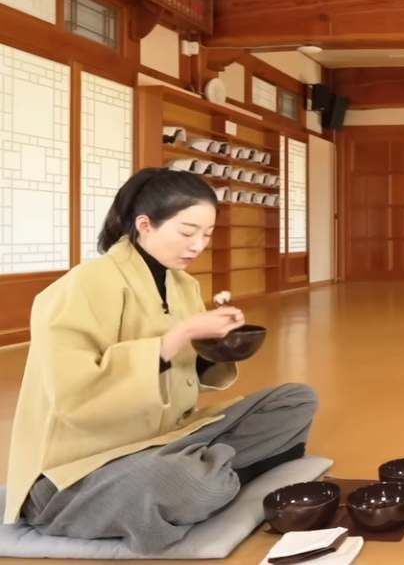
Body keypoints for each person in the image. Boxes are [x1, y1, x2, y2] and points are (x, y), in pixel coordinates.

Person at [4, 168, 318, 553]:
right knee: (186, 484)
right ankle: (210, 474)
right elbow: (74, 395)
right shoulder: (80, 286)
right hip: (79, 470)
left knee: (296, 400)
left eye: (206, 235)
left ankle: (210, 469)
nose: (198, 245)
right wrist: (173, 340)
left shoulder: (182, 284)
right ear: (145, 225)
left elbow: (186, 376)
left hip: (165, 438)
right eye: (187, 232)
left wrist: (214, 344)